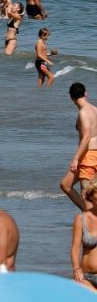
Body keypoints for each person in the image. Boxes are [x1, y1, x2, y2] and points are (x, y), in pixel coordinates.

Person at [61, 82, 97, 211]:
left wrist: (75, 158)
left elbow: (86, 137)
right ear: (86, 93)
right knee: (65, 184)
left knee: (87, 195)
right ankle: (87, 214)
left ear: (71, 98)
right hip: (91, 155)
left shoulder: (83, 113)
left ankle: (90, 220)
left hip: (88, 156)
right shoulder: (94, 109)